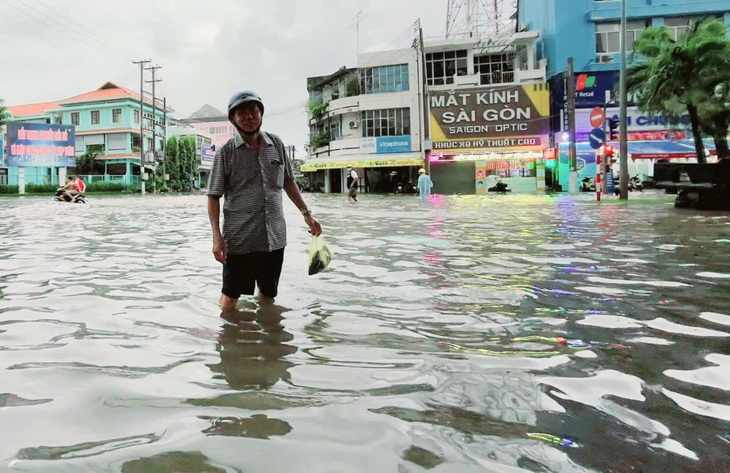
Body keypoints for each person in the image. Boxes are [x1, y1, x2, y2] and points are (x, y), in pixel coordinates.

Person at [207, 90, 322, 312]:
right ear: (233, 119)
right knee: (230, 299)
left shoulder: (276, 144)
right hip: (240, 240)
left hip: (274, 238)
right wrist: (217, 238)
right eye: (242, 113)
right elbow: (213, 196)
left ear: (261, 114)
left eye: (253, 111)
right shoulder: (226, 153)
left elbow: (288, 182)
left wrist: (307, 214)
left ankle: (269, 341)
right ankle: (230, 339)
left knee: (268, 296)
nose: (249, 117)